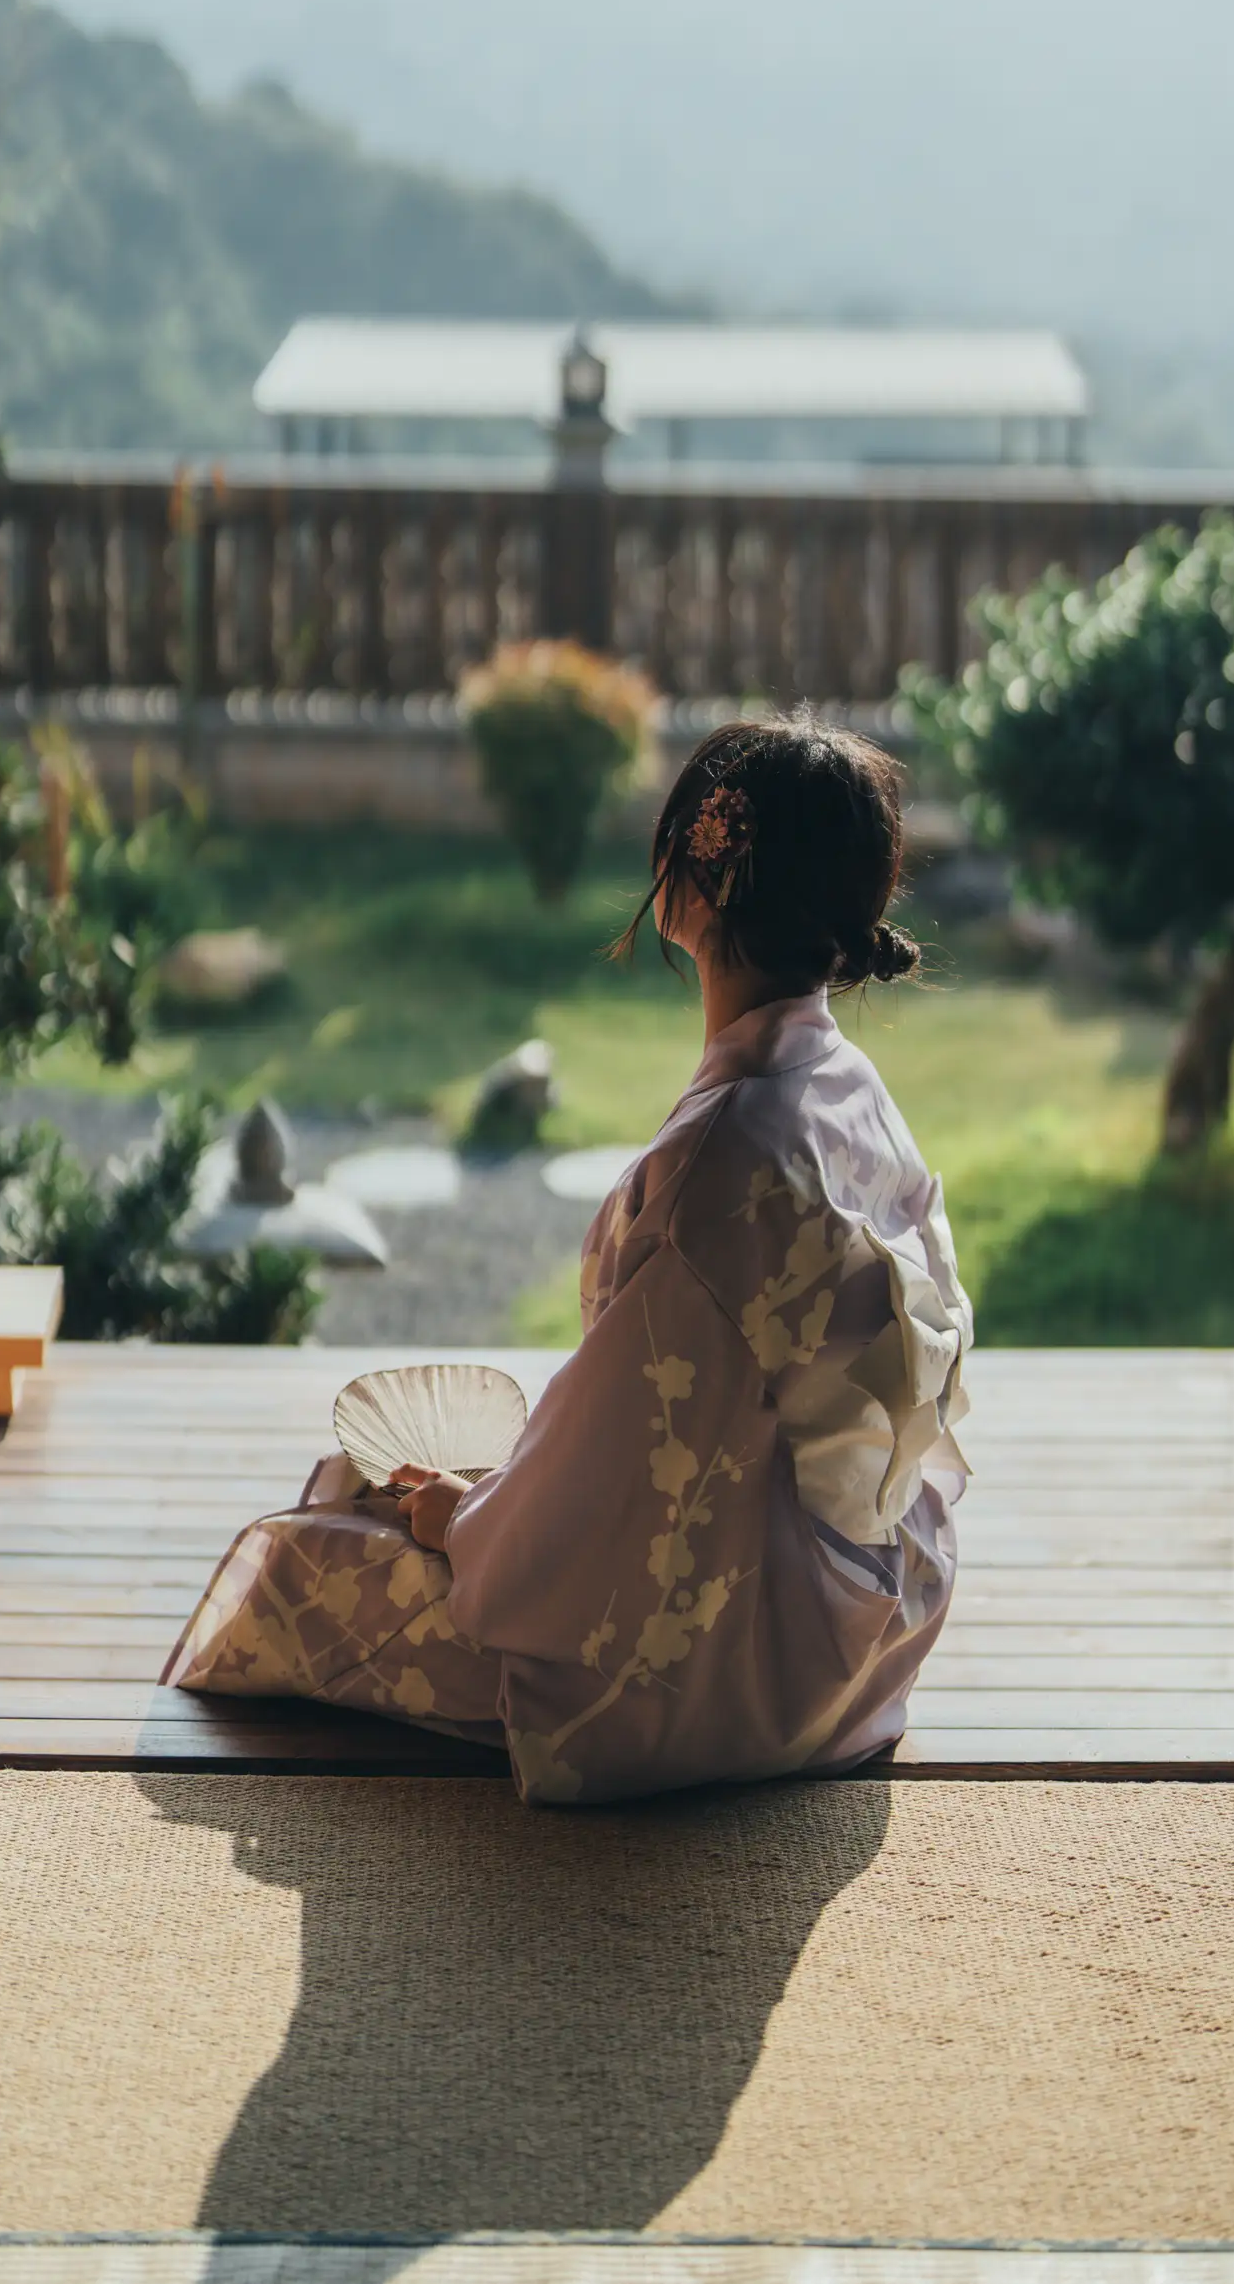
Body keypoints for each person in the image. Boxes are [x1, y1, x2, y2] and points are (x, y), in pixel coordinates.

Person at [162, 713, 972, 1804]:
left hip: (747, 1668)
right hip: (874, 1616)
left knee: (311, 1551)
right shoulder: (843, 1087)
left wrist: (473, 1522)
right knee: (399, 1487)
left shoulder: (722, 1158)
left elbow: (619, 1469)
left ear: (699, 870)